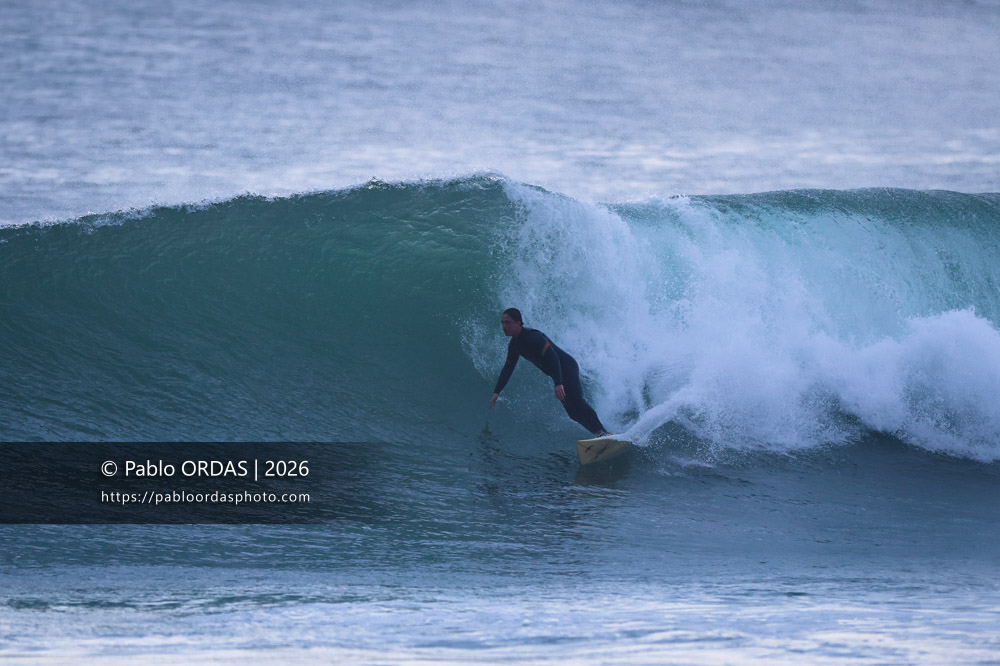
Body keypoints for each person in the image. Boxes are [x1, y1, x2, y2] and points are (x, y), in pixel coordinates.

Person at [489, 308, 609, 436]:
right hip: (558, 374)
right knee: (572, 413)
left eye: (507, 322)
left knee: (578, 403)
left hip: (567, 368)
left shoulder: (534, 337)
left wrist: (558, 383)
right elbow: (508, 368)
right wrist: (497, 391)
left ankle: (604, 433)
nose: (504, 326)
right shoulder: (514, 345)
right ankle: (599, 435)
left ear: (518, 323)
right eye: (502, 323)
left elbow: (554, 359)